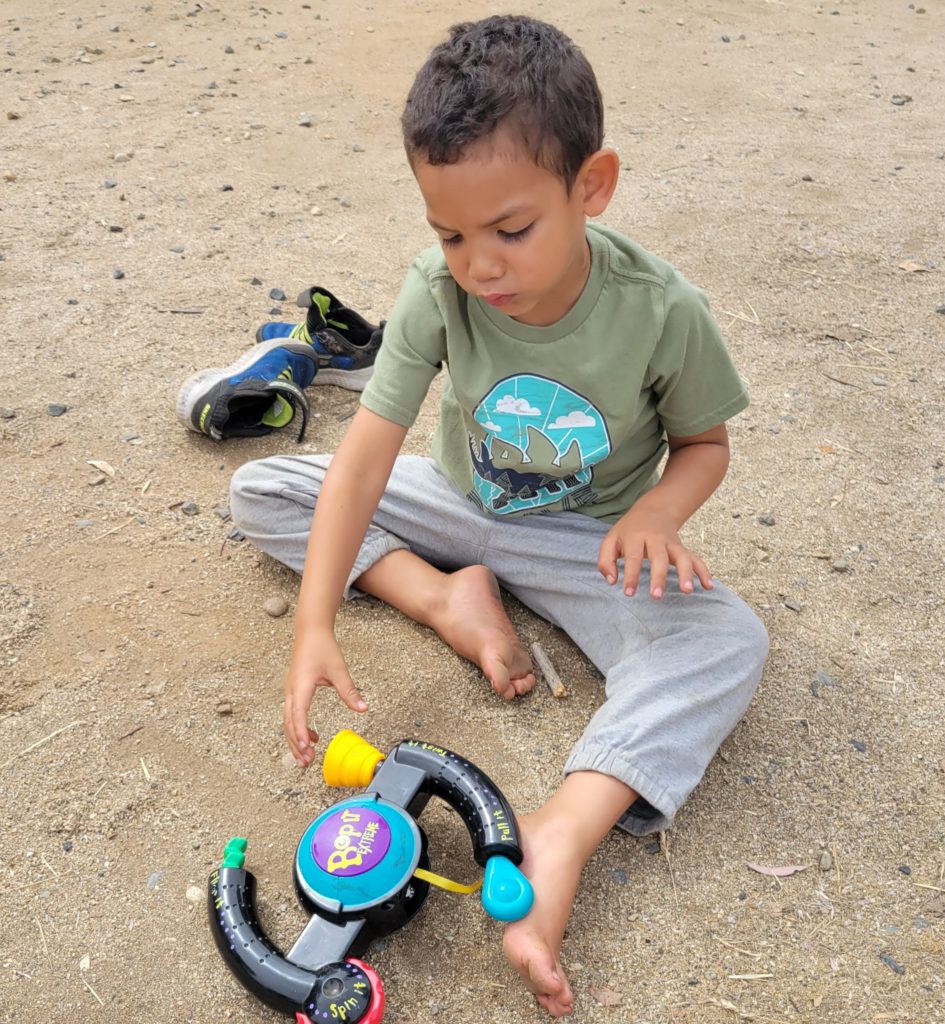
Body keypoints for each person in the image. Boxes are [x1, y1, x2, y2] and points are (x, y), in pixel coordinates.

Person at [230, 14, 768, 1017]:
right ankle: (443, 597)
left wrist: (657, 512)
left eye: (510, 230)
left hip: (585, 539)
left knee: (726, 639)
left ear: (591, 186)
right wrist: (313, 624)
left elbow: (705, 447)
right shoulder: (440, 289)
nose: (478, 264)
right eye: (450, 233)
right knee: (266, 489)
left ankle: (562, 827)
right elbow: (359, 464)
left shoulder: (661, 310)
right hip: (452, 500)